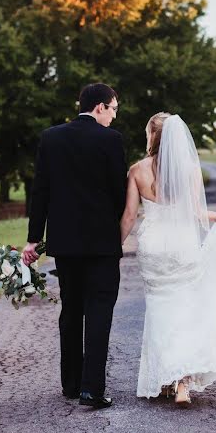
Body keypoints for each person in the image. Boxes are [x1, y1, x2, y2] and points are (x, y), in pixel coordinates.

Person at [120, 112, 216, 404]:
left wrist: (114, 247)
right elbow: (196, 214)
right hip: (183, 244)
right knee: (184, 308)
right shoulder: (190, 170)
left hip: (155, 245)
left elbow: (130, 216)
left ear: (152, 136)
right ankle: (183, 382)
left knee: (160, 310)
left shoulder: (137, 170)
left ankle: (167, 378)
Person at [23, 83, 127, 410]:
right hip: (101, 244)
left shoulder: (51, 138)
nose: (113, 115)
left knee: (71, 311)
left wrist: (32, 238)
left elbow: (40, 191)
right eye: (112, 109)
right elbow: (118, 194)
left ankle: (70, 384)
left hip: (65, 244)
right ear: (99, 107)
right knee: (99, 312)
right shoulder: (111, 140)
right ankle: (91, 389)